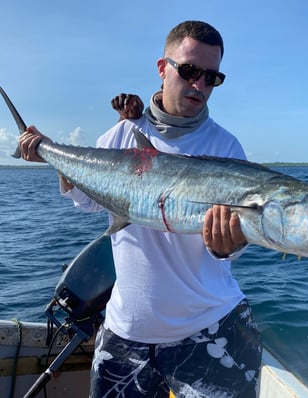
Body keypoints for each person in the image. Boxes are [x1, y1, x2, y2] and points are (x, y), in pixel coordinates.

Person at [19, 20, 262, 398]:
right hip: (125, 333)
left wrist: (228, 245)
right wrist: (53, 157)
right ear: (163, 68)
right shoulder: (121, 134)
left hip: (209, 329)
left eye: (212, 77)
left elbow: (234, 242)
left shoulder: (226, 149)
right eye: (190, 70)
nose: (200, 85)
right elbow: (86, 200)